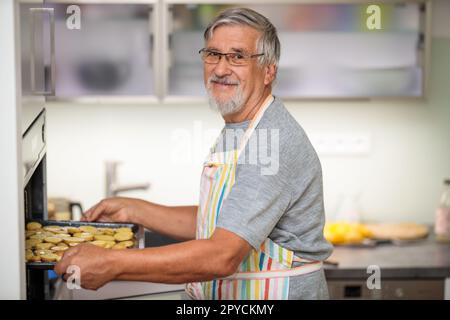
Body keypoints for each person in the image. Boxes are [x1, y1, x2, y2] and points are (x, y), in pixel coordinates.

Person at [55, 7, 333, 300]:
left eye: (237, 56)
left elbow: (221, 255)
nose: (221, 69)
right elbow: (225, 223)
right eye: (213, 54)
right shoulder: (242, 127)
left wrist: (111, 263)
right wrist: (135, 209)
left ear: (268, 71)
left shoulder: (270, 142)